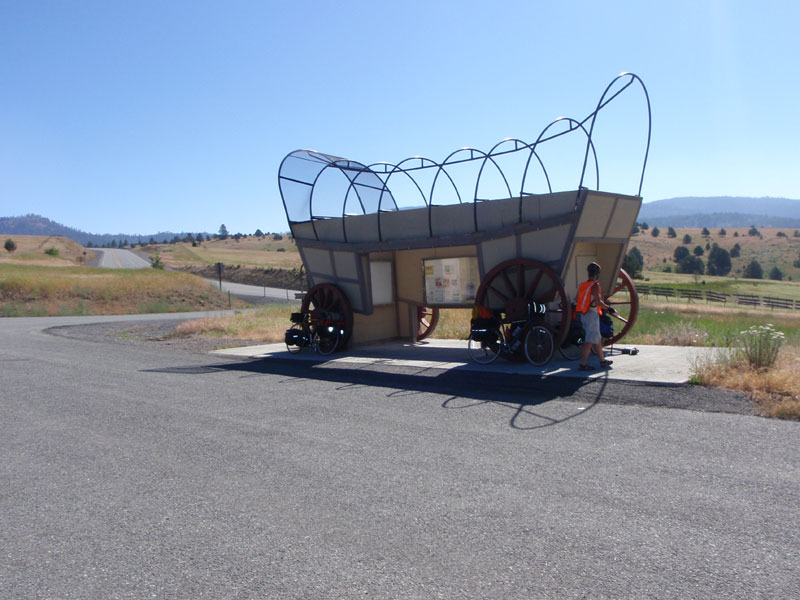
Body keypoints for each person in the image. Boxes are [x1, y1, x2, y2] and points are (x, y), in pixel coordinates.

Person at [575, 262, 615, 371]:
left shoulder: (583, 285)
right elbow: (598, 301)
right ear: (598, 274)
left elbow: (576, 299)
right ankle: (583, 364)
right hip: (592, 314)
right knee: (589, 340)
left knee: (596, 338)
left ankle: (602, 361)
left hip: (584, 314)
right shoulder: (595, 286)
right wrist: (608, 308)